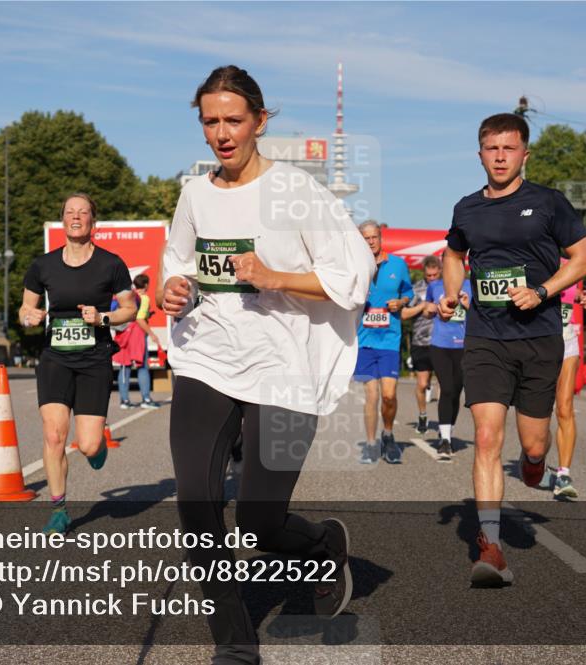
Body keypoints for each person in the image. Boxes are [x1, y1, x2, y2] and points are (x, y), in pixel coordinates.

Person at [161, 65, 375, 665]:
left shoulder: (297, 192)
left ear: (259, 121)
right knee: (196, 507)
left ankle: (322, 544)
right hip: (207, 356)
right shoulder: (195, 193)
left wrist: (273, 277)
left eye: (234, 120)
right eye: (210, 121)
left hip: (284, 365)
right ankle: (234, 644)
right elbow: (176, 260)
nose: (222, 133)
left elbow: (353, 275)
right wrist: (172, 289)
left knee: (257, 524)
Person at [438, 113, 586, 587]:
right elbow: (452, 253)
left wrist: (543, 291)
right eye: (492, 148)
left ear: (525, 153)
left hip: (538, 337)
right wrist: (451, 292)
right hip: (485, 337)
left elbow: (584, 259)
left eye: (509, 148)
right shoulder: (466, 209)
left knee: (533, 444)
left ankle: (535, 465)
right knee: (486, 437)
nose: (500, 156)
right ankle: (491, 546)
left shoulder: (548, 202)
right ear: (480, 153)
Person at [19, 193, 137, 535]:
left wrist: (103, 317)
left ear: (92, 223)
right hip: (55, 357)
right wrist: (30, 316)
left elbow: (130, 308)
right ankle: (58, 509)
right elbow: (25, 309)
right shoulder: (43, 265)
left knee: (87, 444)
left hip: (94, 359)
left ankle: (96, 447)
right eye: (70, 212)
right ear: (62, 221)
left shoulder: (111, 264)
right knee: (54, 435)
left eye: (83, 212)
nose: (76, 217)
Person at [355, 220, 413, 464]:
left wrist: (401, 303)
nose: (370, 242)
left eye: (374, 237)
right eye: (365, 238)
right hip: (364, 340)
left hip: (389, 338)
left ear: (381, 237)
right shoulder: (356, 266)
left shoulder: (398, 265)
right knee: (372, 395)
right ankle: (370, 444)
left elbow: (408, 293)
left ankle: (387, 435)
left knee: (389, 395)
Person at [541, 275, 586, 497]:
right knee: (538, 413)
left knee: (564, 409)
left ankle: (563, 475)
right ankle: (534, 458)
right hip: (538, 343)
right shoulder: (532, 255)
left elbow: (574, 293)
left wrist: (583, 297)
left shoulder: (571, 262)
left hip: (567, 340)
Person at [427, 258, 472, 461]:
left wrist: (467, 305)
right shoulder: (435, 286)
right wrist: (429, 310)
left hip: (463, 346)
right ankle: (445, 440)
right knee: (446, 389)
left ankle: (448, 430)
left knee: (456, 392)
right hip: (440, 345)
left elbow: (483, 315)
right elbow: (428, 310)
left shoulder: (472, 285)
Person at [402, 255, 441, 434]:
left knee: (446, 386)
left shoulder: (447, 287)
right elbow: (404, 314)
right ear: (424, 273)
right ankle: (423, 415)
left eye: (434, 275)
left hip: (444, 342)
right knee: (422, 384)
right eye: (428, 275)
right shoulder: (416, 289)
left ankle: (444, 422)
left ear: (440, 271)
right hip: (421, 342)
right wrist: (422, 306)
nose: (431, 278)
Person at [116, 273, 162, 409]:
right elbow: (140, 319)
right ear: (146, 285)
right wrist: (152, 333)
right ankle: (146, 399)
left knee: (125, 366)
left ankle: (124, 401)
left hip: (123, 333)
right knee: (142, 366)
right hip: (137, 334)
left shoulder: (128, 296)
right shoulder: (144, 298)